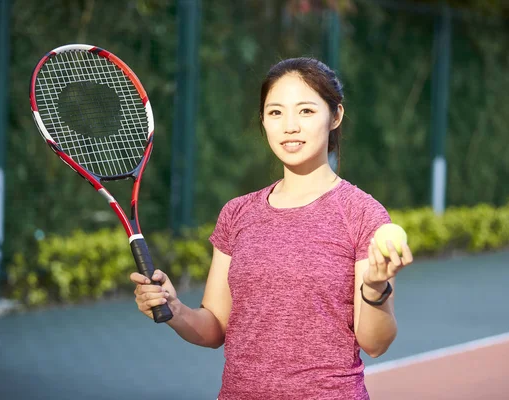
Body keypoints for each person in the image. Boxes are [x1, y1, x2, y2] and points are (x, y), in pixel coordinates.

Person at [130, 57, 414, 400]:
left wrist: (374, 286)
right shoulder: (237, 213)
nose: (289, 126)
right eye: (276, 112)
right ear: (263, 120)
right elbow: (215, 326)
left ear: (335, 116)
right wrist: (174, 309)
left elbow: (376, 344)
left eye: (306, 111)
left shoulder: (362, 215)